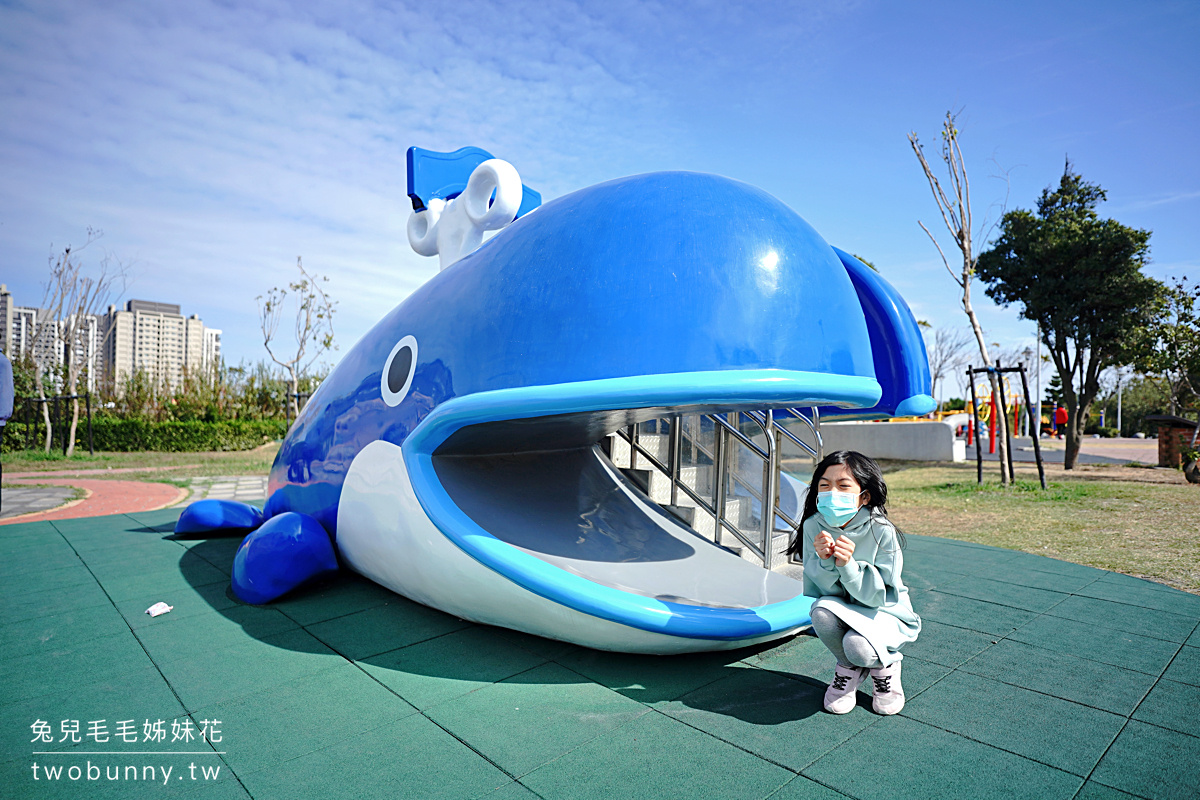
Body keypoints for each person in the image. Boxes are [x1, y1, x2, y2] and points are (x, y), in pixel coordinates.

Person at [787, 450, 920, 715]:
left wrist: (848, 566)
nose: (832, 493)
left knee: (857, 644)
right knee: (821, 612)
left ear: (865, 495)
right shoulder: (814, 526)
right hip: (844, 608)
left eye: (843, 485)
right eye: (824, 485)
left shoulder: (881, 529)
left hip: (883, 610)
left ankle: (886, 667)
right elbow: (822, 592)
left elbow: (878, 597)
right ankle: (848, 669)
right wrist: (826, 561)